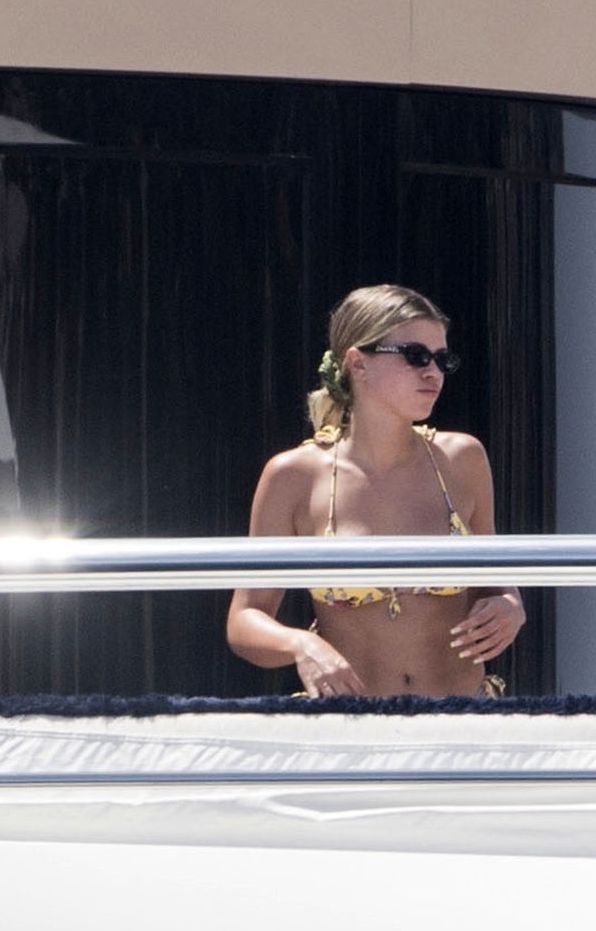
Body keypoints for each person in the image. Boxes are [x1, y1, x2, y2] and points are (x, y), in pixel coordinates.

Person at [225, 285, 525, 697]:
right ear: (357, 363)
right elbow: (244, 620)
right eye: (415, 355)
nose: (433, 373)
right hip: (351, 725)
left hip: (462, 717)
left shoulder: (461, 459)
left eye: (442, 359)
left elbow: (497, 581)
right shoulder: (294, 476)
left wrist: (510, 607)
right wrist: (301, 644)